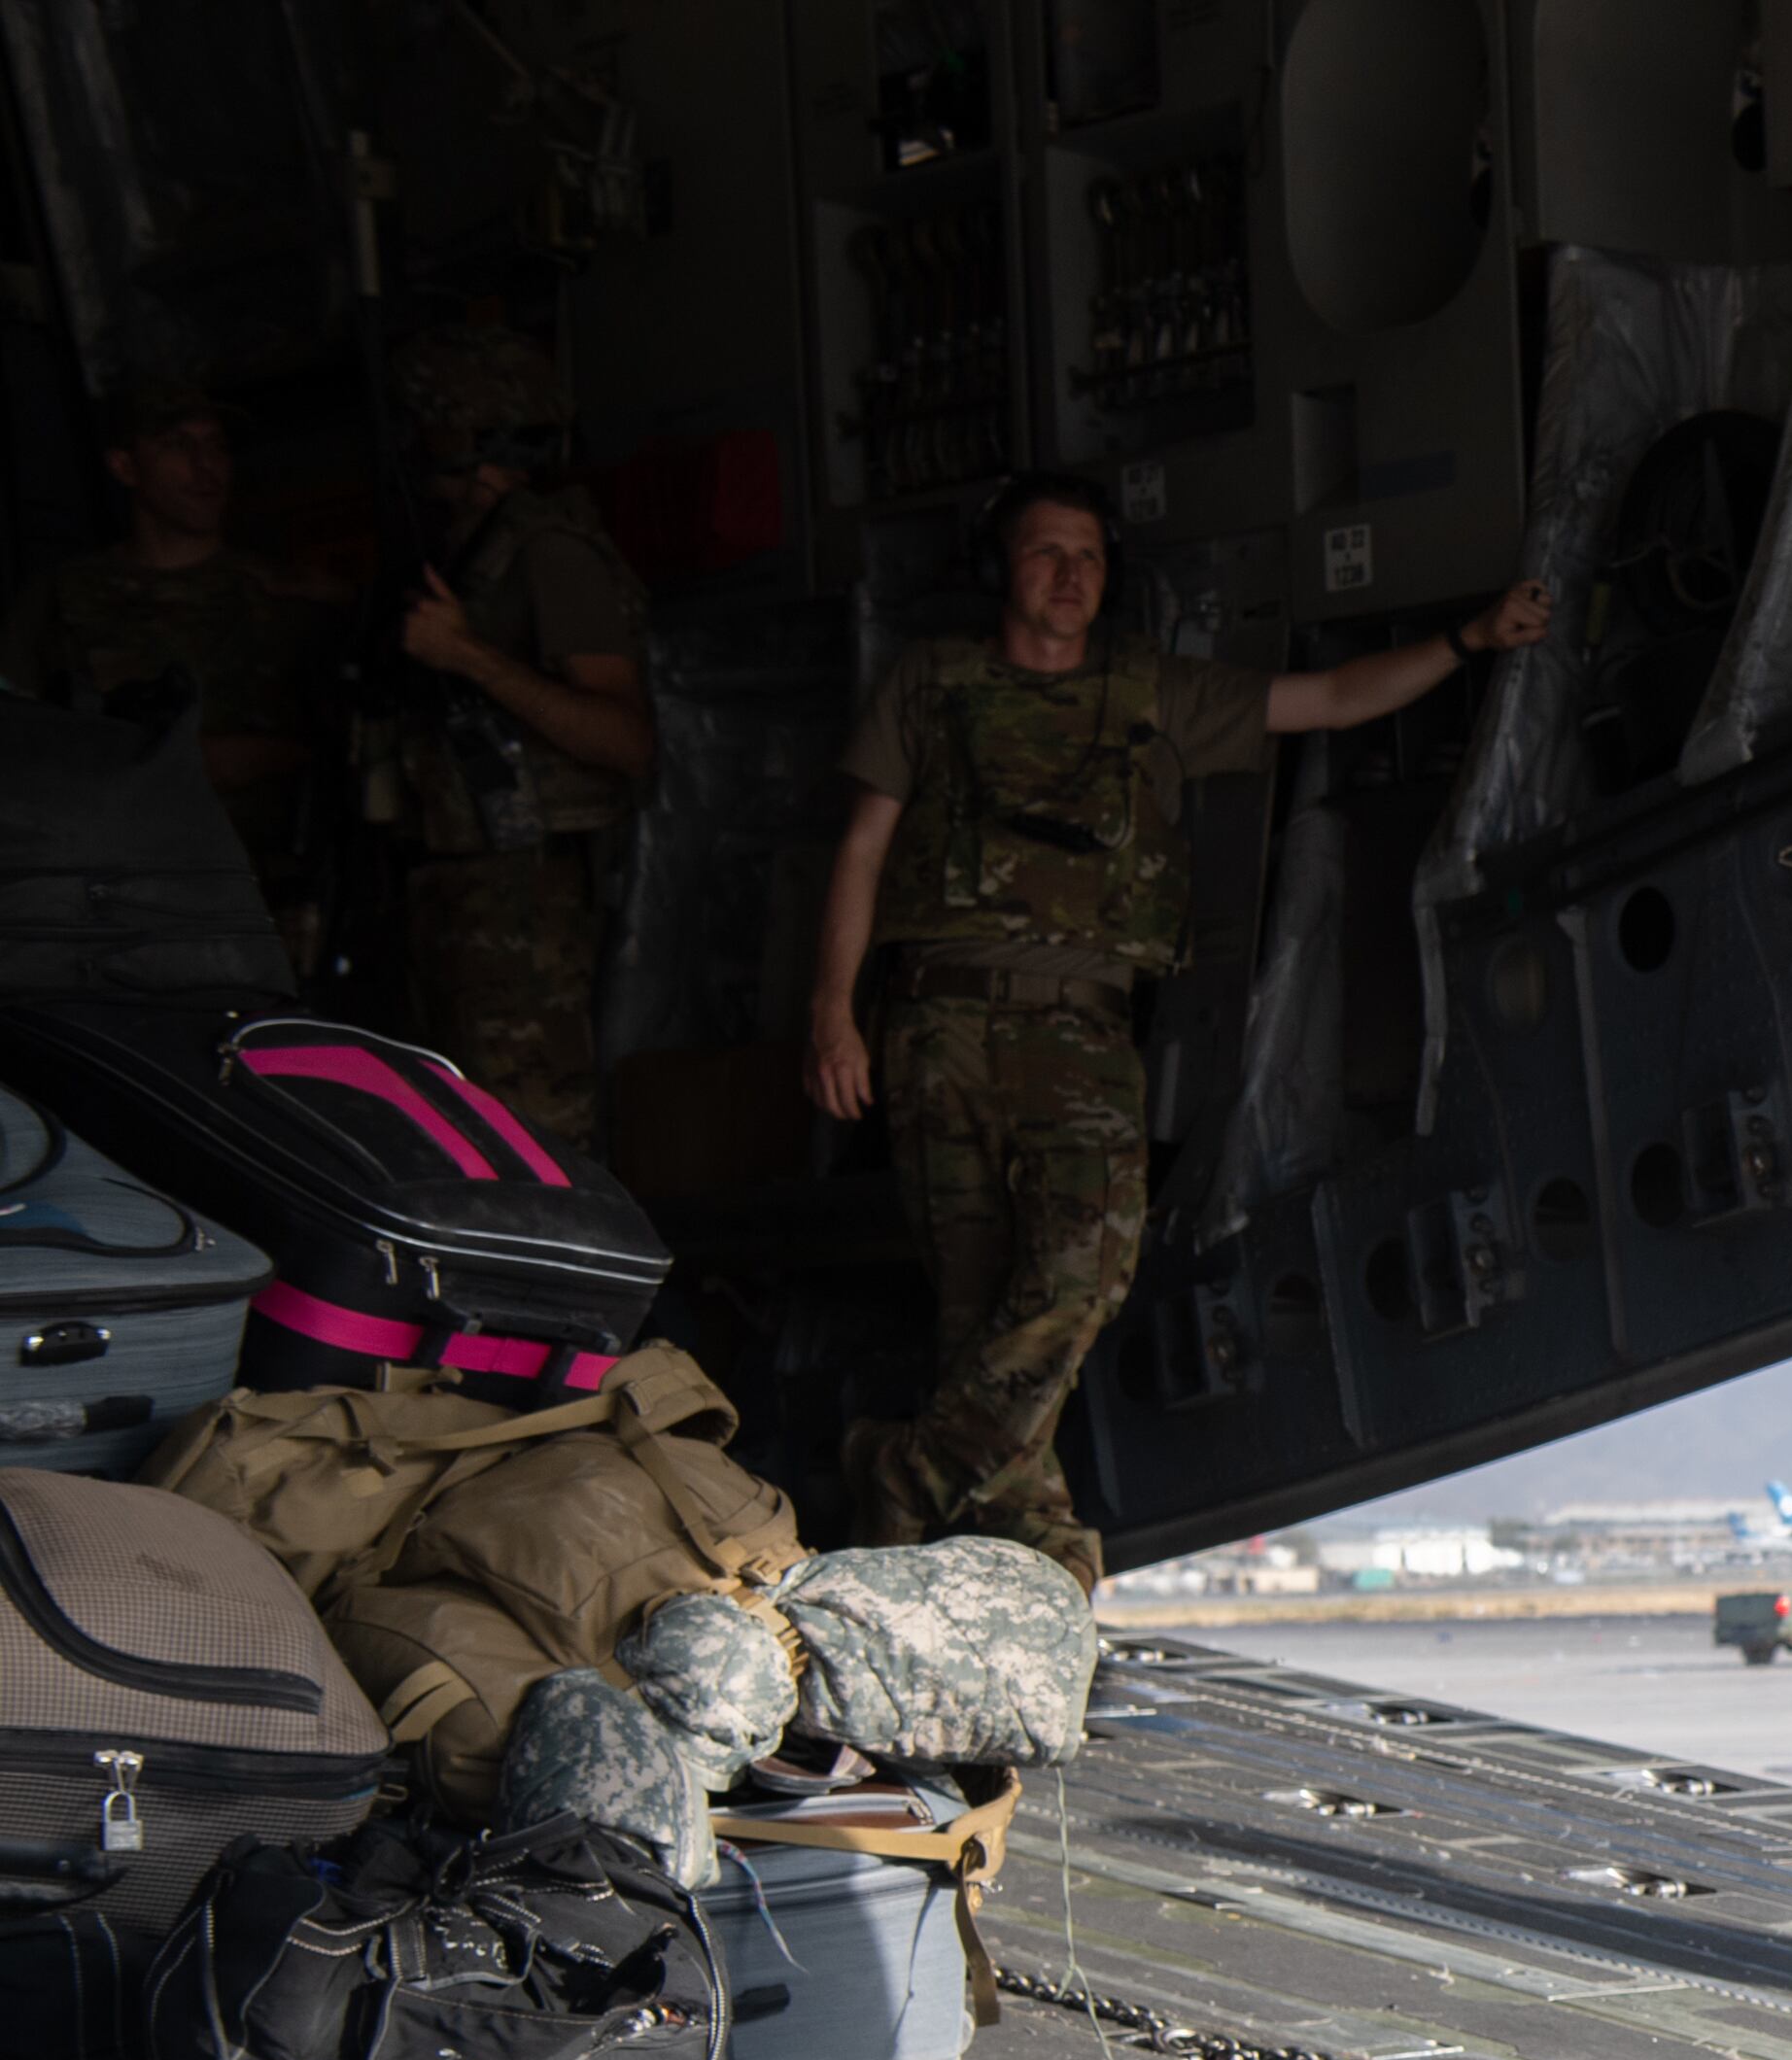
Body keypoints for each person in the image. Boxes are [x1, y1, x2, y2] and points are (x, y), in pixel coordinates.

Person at [806, 472, 1549, 1586]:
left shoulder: (1148, 690)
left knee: (1084, 1273)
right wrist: (833, 1012)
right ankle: (1034, 1568)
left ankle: (905, 1473)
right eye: (1047, 552)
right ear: (1002, 568)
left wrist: (1467, 637)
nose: (1070, 575)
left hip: (1082, 1029)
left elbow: (1334, 698)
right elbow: (861, 848)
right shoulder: (933, 684)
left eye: (1090, 557)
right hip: (939, 1023)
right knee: (977, 1308)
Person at [388, 323, 655, 1153]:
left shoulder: (546, 551)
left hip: (530, 906)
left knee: (533, 1150)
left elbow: (624, 737)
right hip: (463, 899)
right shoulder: (474, 552)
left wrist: (466, 655)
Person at [0, 383, 331, 922]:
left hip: (280, 901)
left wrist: (268, 756)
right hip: (126, 906)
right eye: (179, 446)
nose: (206, 467)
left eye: (217, 446)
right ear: (125, 465)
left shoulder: (289, 595)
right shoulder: (61, 602)